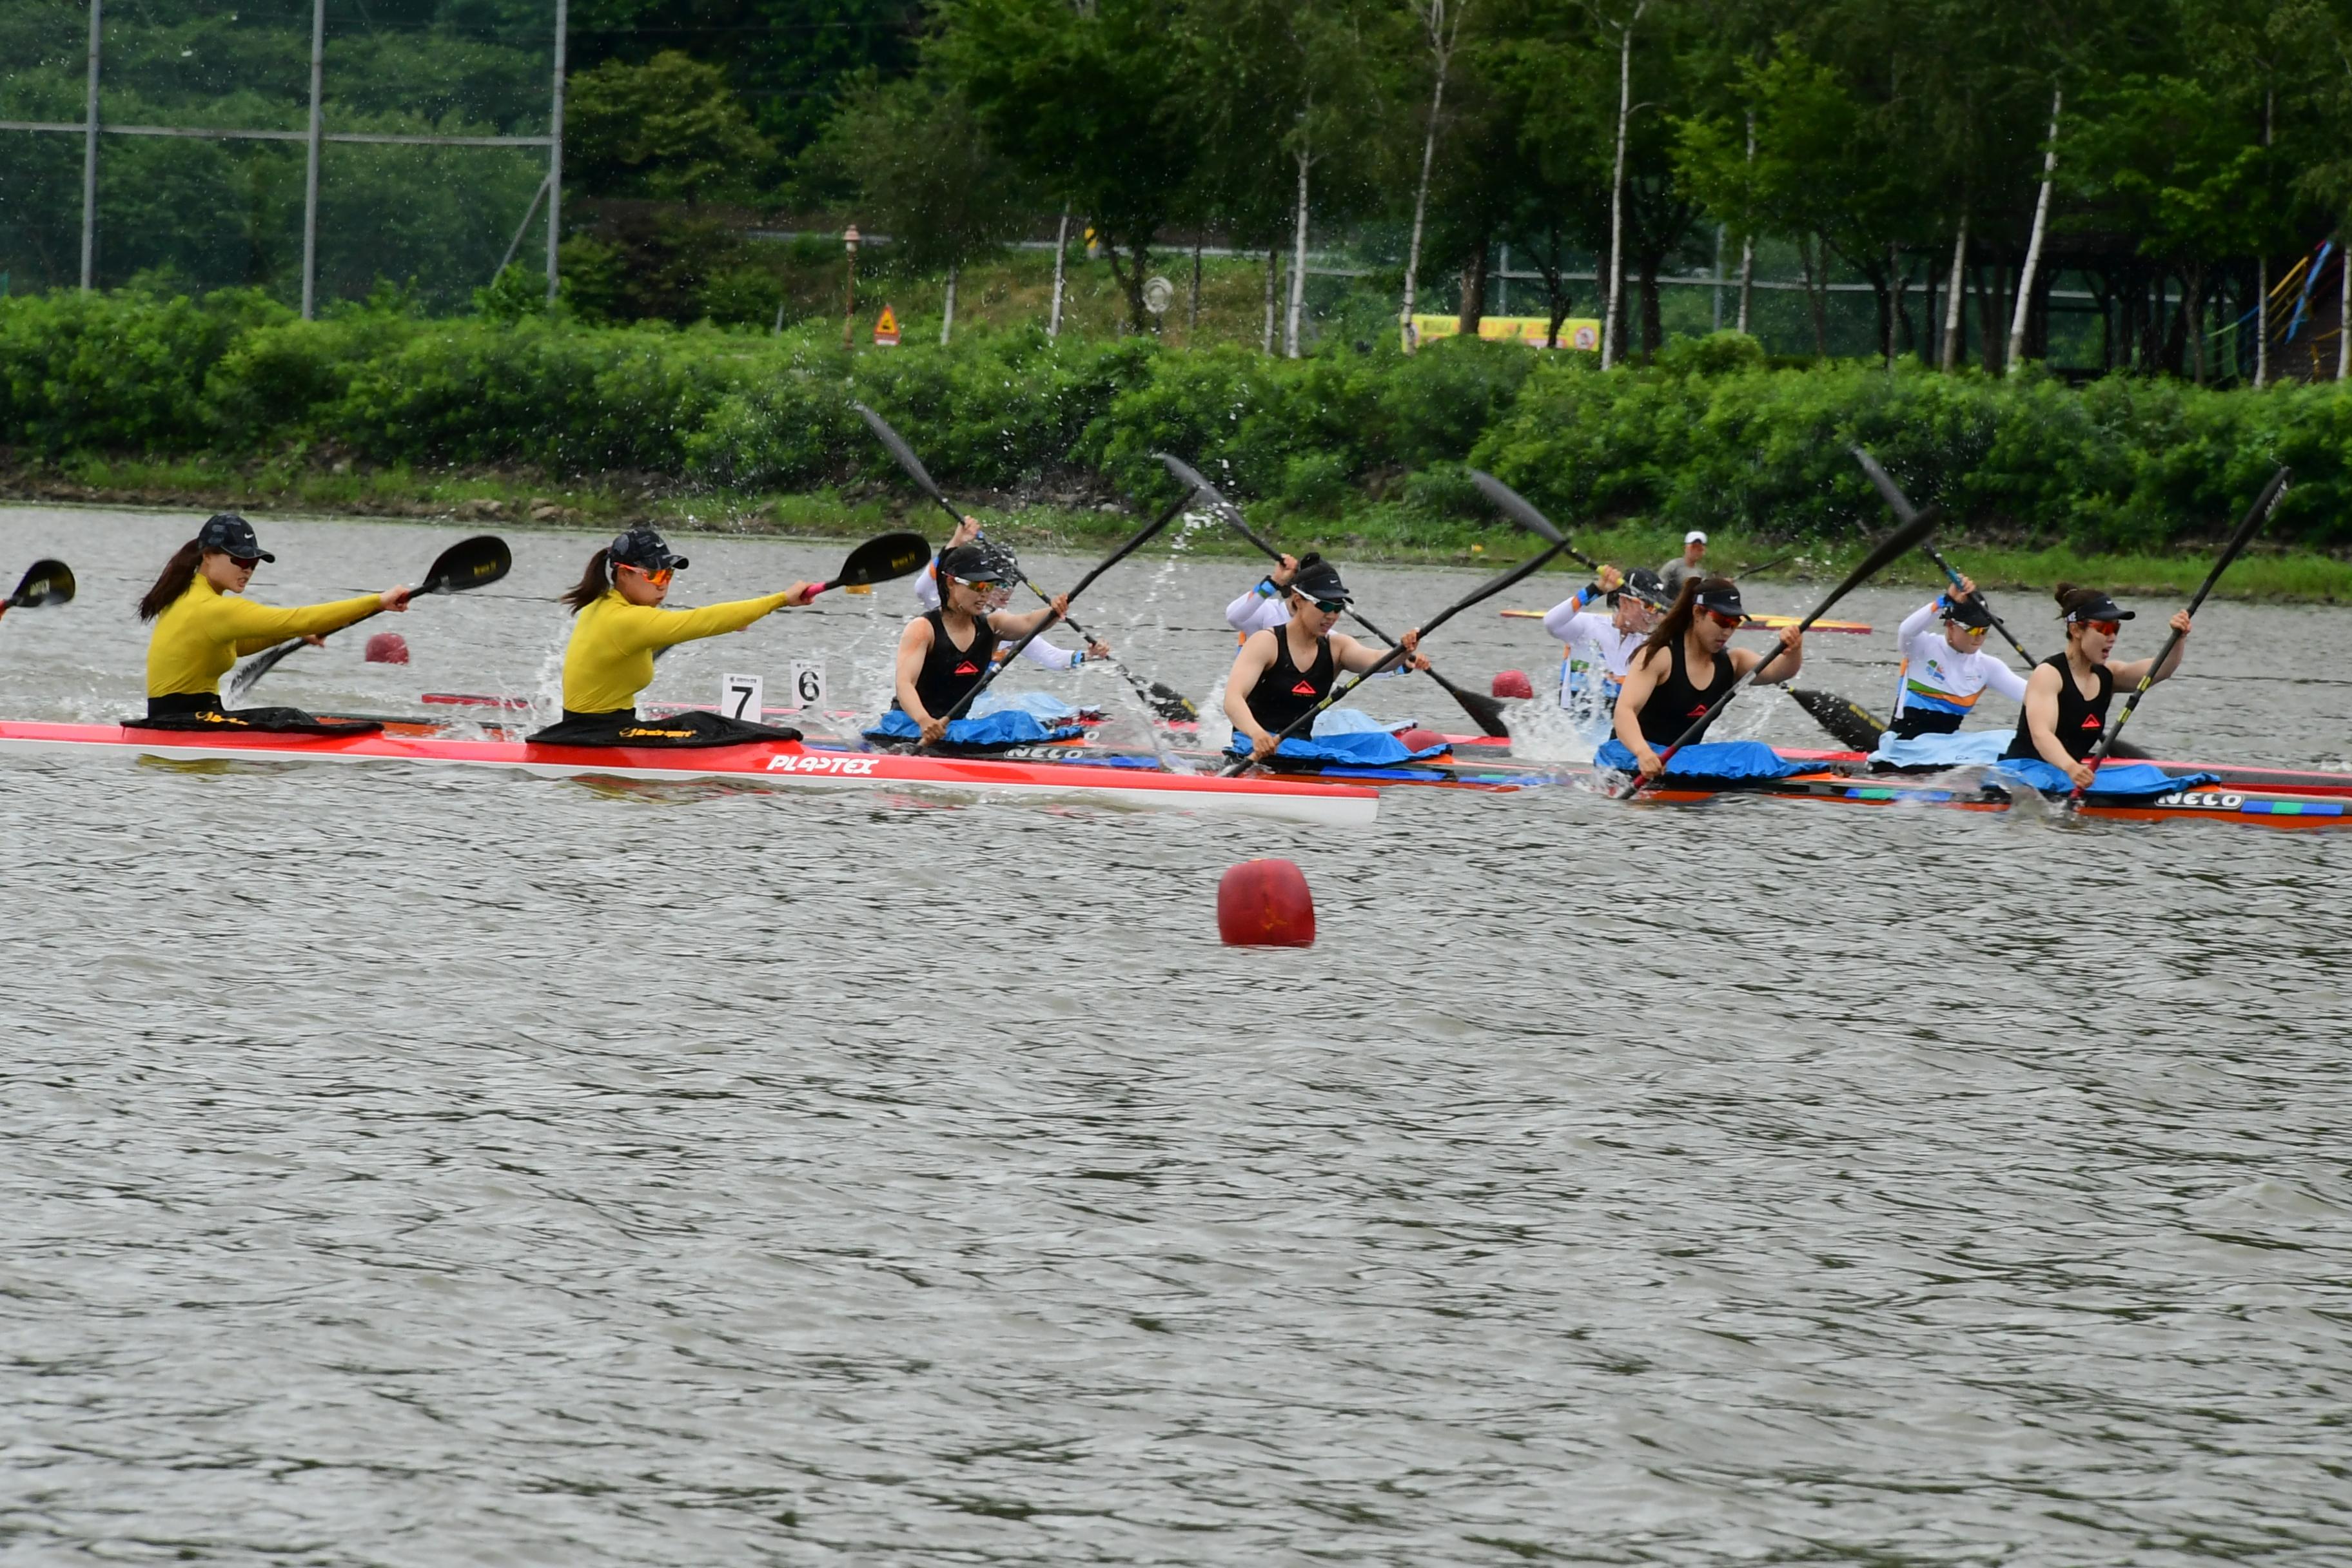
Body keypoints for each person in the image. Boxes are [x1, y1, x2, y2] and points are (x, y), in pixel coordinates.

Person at [527, 526, 817, 746]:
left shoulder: (606, 606)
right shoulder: (625, 619)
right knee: (703, 724)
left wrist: (728, 622)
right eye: (654, 575)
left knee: (701, 724)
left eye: (668, 575)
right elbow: (699, 620)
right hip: (594, 736)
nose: (663, 585)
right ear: (624, 573)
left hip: (593, 731)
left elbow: (689, 627)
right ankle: (788, 749)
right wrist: (782, 599)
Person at [133, 513, 408, 730]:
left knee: (289, 717)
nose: (248, 570)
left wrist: (300, 634)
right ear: (207, 556)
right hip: (183, 724)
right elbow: (298, 619)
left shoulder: (186, 597)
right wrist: (378, 601)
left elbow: (237, 646)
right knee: (290, 717)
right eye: (240, 560)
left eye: (253, 562)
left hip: (180, 719)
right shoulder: (212, 608)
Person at [1223, 556, 1424, 761]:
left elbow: (1376, 660)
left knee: (1382, 743)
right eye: (1325, 606)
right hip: (1254, 745)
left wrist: (1403, 651)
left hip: (1302, 747)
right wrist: (1257, 733)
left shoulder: (1338, 647)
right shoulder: (1266, 642)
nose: (1332, 615)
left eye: (1338, 607)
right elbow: (1232, 699)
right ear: (1299, 601)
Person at [887, 541, 1079, 745]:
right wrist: (924, 720)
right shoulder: (923, 628)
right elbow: (904, 684)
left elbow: (1030, 622)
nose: (985, 593)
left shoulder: (993, 624)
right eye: (978, 586)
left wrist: (1055, 610)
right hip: (912, 728)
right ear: (951, 583)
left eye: (989, 586)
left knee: (1016, 720)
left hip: (955, 728)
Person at [1610, 576, 1803, 779]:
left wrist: (1794, 647)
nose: (1727, 631)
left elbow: (1780, 671)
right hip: (1630, 760)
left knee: (1756, 751)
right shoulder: (1661, 655)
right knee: (1752, 754)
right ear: (1697, 613)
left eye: (1734, 623)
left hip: (1681, 762)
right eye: (1721, 621)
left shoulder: (1734, 661)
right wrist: (1643, 752)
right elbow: (1624, 711)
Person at [2004, 583, 2191, 787]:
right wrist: (2071, 767)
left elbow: (2161, 669)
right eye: (2104, 628)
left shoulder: (2108, 676)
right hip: (2025, 773)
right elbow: (2042, 736)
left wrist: (2179, 638)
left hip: (2066, 775)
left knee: (2143, 774)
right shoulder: (2049, 674)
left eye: (2116, 628)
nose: (2112, 638)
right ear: (2076, 629)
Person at [921, 516, 1108, 673]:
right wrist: (956, 542)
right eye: (1001, 583)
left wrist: (1090, 655)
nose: (1008, 591)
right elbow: (922, 589)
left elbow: (1053, 658)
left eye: (1013, 584)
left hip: (977, 704)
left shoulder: (1005, 624)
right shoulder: (951, 608)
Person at [1886, 578, 2027, 740]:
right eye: (1973, 630)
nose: (1980, 637)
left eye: (1985, 630)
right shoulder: (1921, 648)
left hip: (1946, 750)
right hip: (1902, 746)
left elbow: (2033, 696)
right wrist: (1945, 600)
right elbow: (1906, 631)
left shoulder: (1988, 667)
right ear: (1951, 626)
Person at [1541, 565, 1669, 720]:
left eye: (1657, 609)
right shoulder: (1586, 627)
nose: (1654, 616)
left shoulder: (1651, 648)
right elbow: (1551, 622)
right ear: (1625, 602)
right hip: (1569, 729)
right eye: (1648, 607)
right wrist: (1597, 589)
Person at [1660, 530, 1709, 595]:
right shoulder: (1673, 566)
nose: (1696, 551)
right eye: (1693, 547)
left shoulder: (1701, 572)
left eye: (1699, 549)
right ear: (1685, 548)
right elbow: (1660, 588)